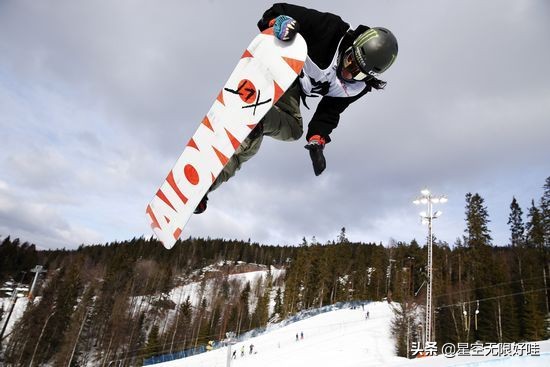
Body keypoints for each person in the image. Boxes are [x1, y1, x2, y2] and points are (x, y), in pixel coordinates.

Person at [195, 3, 398, 214]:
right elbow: (279, 9)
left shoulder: (355, 88)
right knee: (256, 140)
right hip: (276, 64)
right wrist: (278, 23)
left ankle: (204, 186)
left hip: (291, 87)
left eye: (357, 73)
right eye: (349, 61)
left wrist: (317, 139)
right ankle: (256, 111)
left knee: (292, 131)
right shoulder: (330, 29)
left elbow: (330, 111)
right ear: (351, 46)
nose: (348, 72)